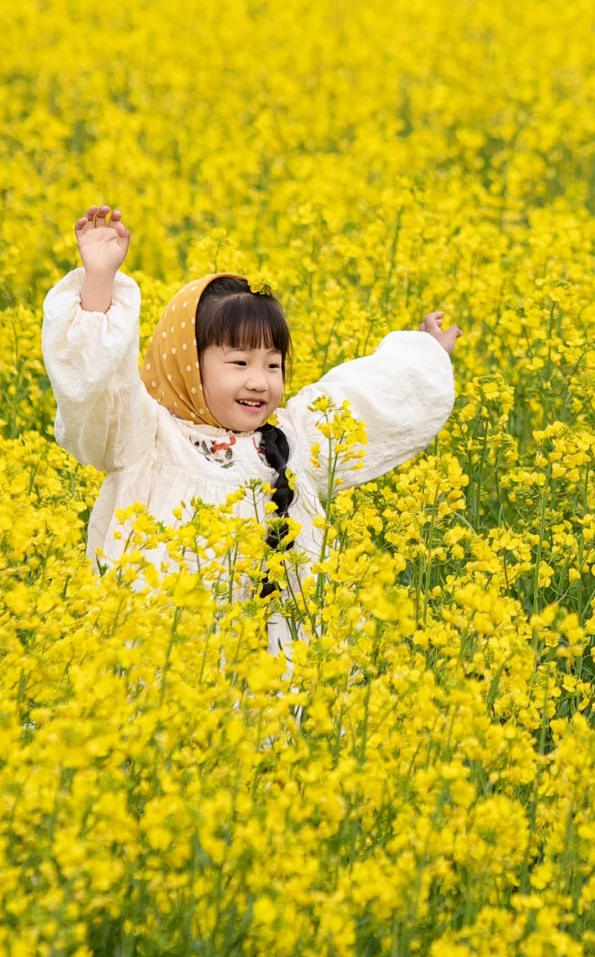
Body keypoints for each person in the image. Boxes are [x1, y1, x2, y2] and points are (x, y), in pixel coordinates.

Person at [41, 204, 462, 658]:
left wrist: (426, 354)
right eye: (239, 363)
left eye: (273, 365)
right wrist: (100, 281)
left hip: (270, 675)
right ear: (186, 366)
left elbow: (368, 398)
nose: (260, 381)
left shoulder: (292, 442)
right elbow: (97, 385)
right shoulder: (144, 436)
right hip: (167, 660)